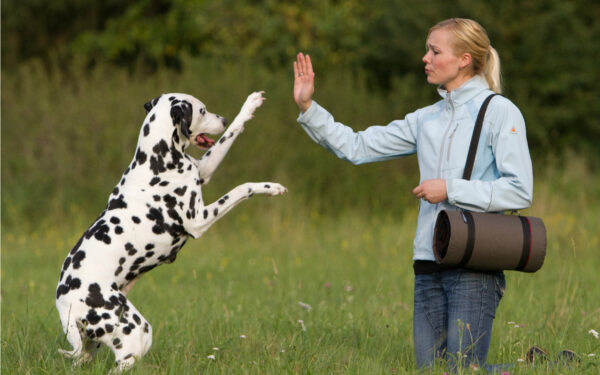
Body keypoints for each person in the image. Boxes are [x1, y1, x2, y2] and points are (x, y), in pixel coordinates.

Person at [292, 18, 533, 371]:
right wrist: (308, 108)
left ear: (465, 59)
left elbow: (519, 188)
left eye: (435, 51)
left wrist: (450, 188)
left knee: (461, 370)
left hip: (475, 262)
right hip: (427, 261)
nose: (426, 58)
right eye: (427, 50)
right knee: (433, 371)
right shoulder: (425, 119)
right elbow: (357, 147)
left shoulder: (501, 112)